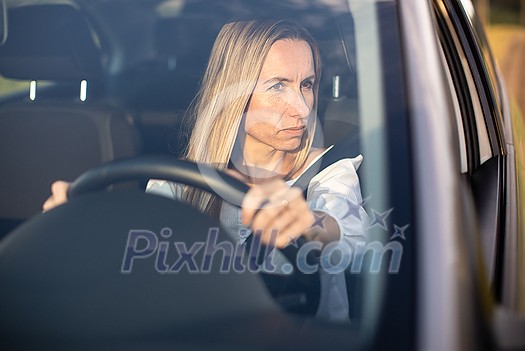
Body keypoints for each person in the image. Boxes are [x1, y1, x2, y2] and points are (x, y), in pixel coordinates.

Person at [43, 19, 368, 321]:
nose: (302, 107)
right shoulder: (177, 182)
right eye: (278, 86)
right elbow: (138, 261)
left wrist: (311, 223)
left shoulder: (329, 170)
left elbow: (350, 235)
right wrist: (81, 226)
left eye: (307, 84)